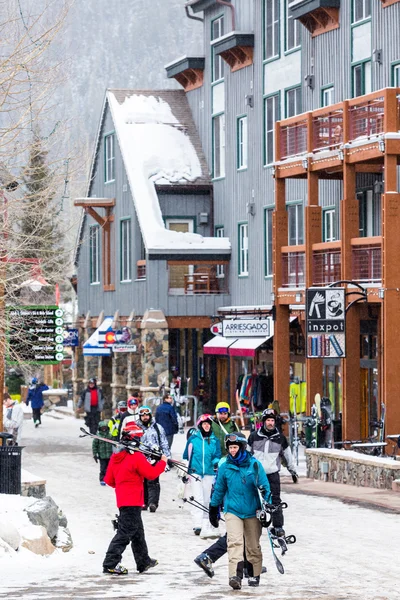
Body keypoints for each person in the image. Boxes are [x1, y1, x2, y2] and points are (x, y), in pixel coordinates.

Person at [102, 421, 167, 575]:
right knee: (124, 533)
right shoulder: (136, 457)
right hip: (133, 500)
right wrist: (162, 462)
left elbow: (109, 480)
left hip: (124, 499)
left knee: (138, 532)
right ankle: (110, 563)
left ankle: (143, 561)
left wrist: (123, 485)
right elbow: (151, 474)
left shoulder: (116, 456)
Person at [209, 432, 271, 590]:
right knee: (234, 542)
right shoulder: (225, 467)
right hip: (233, 510)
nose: (233, 450)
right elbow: (219, 489)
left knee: (252, 545)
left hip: (252, 510)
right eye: (230, 447)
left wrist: (268, 507)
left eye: (235, 447)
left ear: (242, 447)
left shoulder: (254, 465)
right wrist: (213, 507)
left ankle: (254, 574)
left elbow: (265, 488)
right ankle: (235, 576)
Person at [248, 408, 297, 538]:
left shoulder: (280, 438)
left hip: (272, 473)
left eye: (272, 420)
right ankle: (250, 524)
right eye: (268, 420)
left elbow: (287, 456)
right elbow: (246, 454)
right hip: (256, 474)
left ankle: (278, 526)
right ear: (263, 422)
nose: (270, 423)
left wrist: (292, 471)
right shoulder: (254, 436)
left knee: (275, 500)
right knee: (253, 498)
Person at [183, 414, 221, 539]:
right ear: (200, 425)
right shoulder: (193, 439)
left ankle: (207, 522)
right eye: (204, 424)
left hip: (209, 473)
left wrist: (216, 463)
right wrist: (186, 471)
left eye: (208, 424)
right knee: (198, 497)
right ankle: (197, 524)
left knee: (206, 499)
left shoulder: (215, 440)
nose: (206, 426)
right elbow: (186, 456)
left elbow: (217, 455)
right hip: (195, 472)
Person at [137, 405, 171, 512]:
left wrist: (166, 459)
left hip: (155, 458)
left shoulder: (158, 427)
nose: (145, 417)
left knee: (153, 480)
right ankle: (144, 502)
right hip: (141, 458)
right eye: (143, 415)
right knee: (142, 481)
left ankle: (153, 503)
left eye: (147, 415)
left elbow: (164, 443)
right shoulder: (136, 428)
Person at [92, 420, 114, 485]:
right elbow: (94, 446)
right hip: (102, 456)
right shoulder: (98, 437)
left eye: (105, 428)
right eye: (102, 428)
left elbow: (114, 444)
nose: (104, 429)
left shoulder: (110, 436)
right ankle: (102, 479)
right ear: (99, 428)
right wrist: (95, 454)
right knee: (103, 468)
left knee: (110, 468)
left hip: (110, 455)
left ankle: (110, 479)